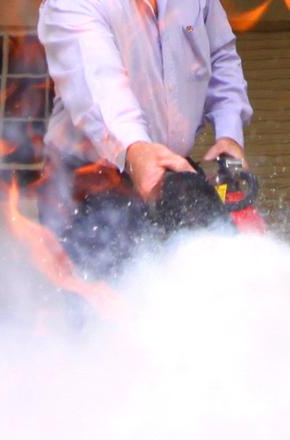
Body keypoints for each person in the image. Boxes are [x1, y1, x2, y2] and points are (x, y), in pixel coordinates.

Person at [36, 0, 253, 275]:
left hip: (169, 170)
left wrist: (229, 132)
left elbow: (220, 55)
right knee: (115, 308)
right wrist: (135, 147)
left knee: (205, 289)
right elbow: (100, 85)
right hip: (89, 183)